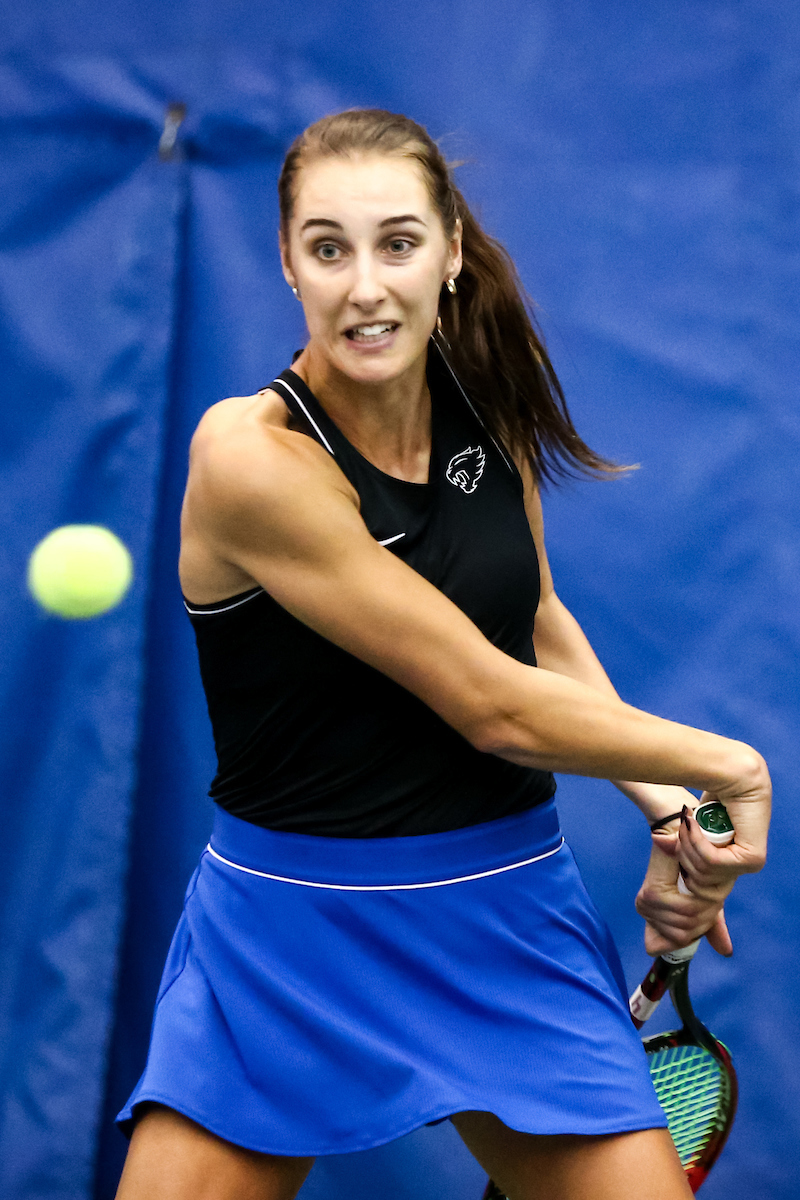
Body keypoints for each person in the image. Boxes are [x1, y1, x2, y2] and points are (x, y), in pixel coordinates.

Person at [115, 109, 771, 1200]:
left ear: (450, 252)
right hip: (287, 935)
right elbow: (488, 703)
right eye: (327, 248)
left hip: (505, 915)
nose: (364, 285)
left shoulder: (485, 412)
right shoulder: (249, 460)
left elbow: (531, 624)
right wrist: (724, 766)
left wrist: (660, 801)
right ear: (286, 263)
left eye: (397, 243)